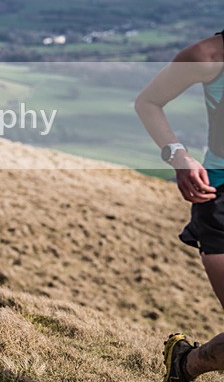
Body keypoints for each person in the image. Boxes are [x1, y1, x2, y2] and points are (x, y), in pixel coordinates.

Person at [135, 22, 224, 380]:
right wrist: (179, 156)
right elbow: (148, 102)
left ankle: (184, 365)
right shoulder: (208, 56)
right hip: (219, 199)